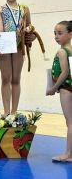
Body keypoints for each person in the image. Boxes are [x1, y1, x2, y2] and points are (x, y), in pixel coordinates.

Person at [0, 0, 31, 115]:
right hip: (4, 46)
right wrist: (0, 42)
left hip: (18, 46)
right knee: (5, 78)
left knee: (16, 79)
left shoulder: (24, 8)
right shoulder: (0, 9)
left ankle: (14, 112)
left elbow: (30, 26)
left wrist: (28, 30)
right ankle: (6, 112)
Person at [46, 20, 72, 162]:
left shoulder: (62, 51)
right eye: (55, 33)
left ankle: (68, 154)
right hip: (69, 86)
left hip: (66, 89)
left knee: (70, 123)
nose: (56, 36)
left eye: (60, 33)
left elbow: (64, 72)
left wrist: (53, 88)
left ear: (70, 34)